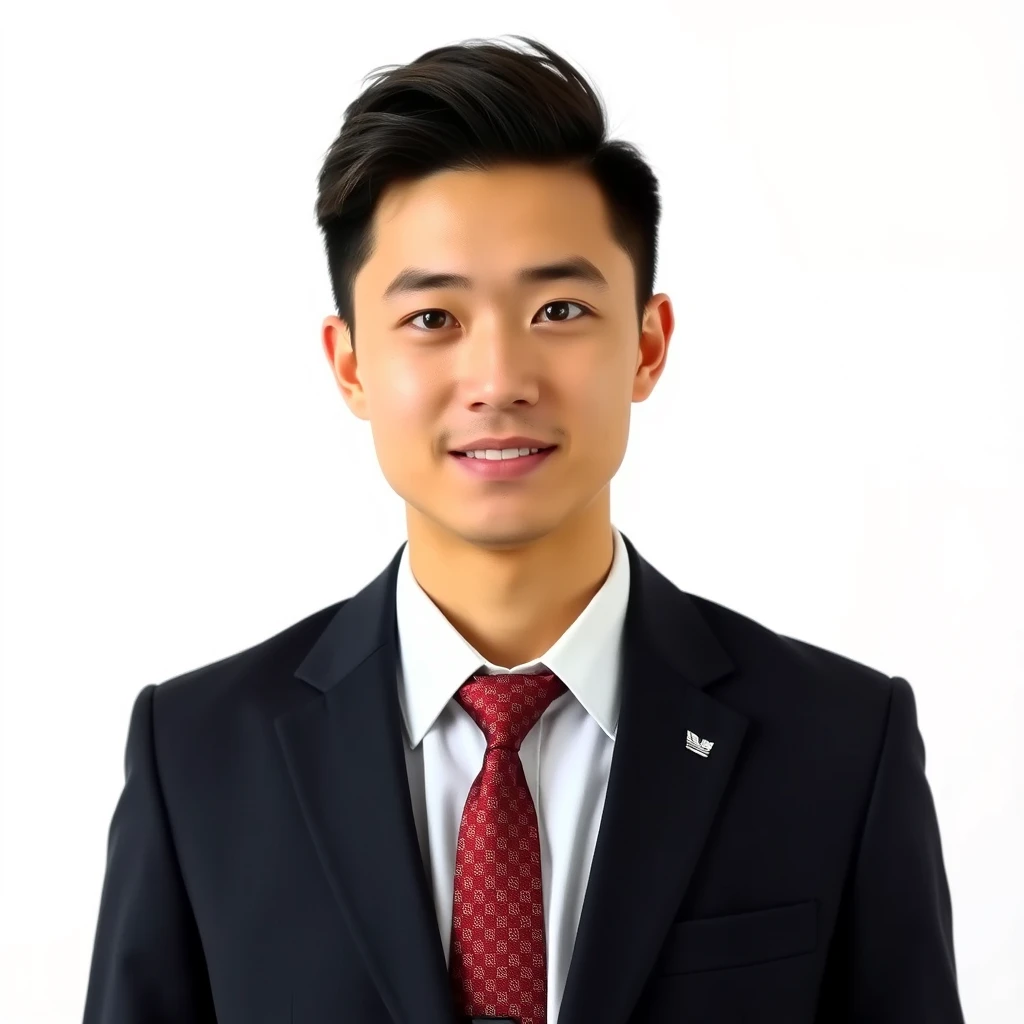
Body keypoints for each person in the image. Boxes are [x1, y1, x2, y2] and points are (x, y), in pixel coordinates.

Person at [82, 34, 965, 1024]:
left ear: (646, 342)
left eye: (556, 308)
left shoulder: (840, 744)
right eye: (432, 319)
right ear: (350, 365)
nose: (499, 379)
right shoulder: (199, 756)